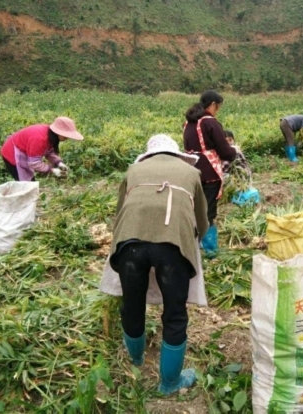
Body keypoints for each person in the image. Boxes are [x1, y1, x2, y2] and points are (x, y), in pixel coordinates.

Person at [109, 134, 209, 396]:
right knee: (174, 314)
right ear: (176, 154)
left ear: (148, 156)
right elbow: (202, 218)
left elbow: (120, 212)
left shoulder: (133, 170)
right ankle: (169, 383)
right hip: (173, 245)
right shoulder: (191, 172)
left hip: (130, 243)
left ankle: (136, 362)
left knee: (132, 303)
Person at [183, 90, 236, 258]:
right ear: (213, 105)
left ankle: (190, 244)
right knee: (208, 211)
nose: (217, 111)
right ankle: (210, 250)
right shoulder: (210, 122)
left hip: (191, 170)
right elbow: (224, 150)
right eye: (218, 107)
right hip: (209, 172)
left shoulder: (188, 123)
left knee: (193, 206)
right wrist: (232, 153)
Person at [0, 116, 83, 181]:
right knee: (24, 185)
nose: (67, 137)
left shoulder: (51, 135)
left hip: (23, 152)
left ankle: (27, 202)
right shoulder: (39, 138)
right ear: (58, 132)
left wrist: (59, 163)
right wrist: (52, 170)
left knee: (29, 184)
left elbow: (49, 151)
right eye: (66, 135)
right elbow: (34, 163)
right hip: (11, 154)